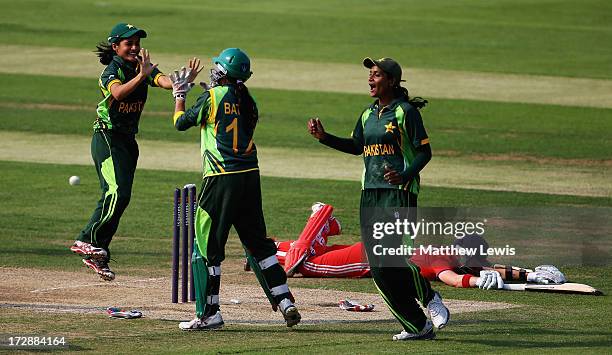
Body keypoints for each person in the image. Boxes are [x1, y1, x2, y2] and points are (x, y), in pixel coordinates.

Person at [306, 57, 448, 341]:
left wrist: (405, 175)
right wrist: (324, 137)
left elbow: (424, 153)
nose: (371, 79)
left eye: (377, 75)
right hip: (370, 193)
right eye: (370, 74)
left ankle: (430, 297)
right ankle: (416, 326)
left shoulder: (406, 112)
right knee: (378, 267)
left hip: (398, 193)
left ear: (392, 81)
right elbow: (357, 146)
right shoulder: (367, 114)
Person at [169, 48, 301, 331]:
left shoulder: (212, 97)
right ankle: (286, 300)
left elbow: (181, 123)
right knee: (258, 243)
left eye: (217, 67)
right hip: (250, 176)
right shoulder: (249, 99)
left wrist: (179, 95)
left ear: (223, 72)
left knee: (206, 248)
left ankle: (209, 314)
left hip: (221, 178)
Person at [69, 23, 201, 281]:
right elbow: (117, 93)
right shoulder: (112, 71)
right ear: (115, 46)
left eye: (137, 42)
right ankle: (86, 240)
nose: (134, 47)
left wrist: (177, 83)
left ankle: (98, 252)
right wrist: (142, 75)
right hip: (107, 137)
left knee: (123, 196)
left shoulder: (141, 65)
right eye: (128, 43)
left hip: (128, 140)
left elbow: (159, 79)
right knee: (115, 192)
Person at [263, 205, 566, 289]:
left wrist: (530, 274)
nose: (481, 264)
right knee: (303, 263)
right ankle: (321, 215)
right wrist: (475, 282)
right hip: (365, 258)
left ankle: (267, 252)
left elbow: (488, 268)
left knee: (308, 252)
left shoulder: (454, 254)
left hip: (368, 251)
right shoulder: (443, 260)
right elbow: (454, 278)